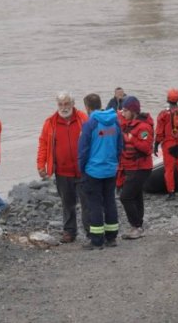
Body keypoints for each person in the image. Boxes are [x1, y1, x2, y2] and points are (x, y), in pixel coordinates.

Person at [37, 92, 90, 243]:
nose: (64, 107)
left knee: (87, 202)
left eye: (67, 104)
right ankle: (69, 231)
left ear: (73, 104)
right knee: (67, 203)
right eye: (61, 104)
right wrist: (41, 165)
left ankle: (91, 231)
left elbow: (93, 140)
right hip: (62, 171)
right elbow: (43, 145)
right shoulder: (50, 122)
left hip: (83, 169)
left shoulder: (82, 119)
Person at [78, 93, 123, 250]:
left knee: (95, 204)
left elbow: (83, 150)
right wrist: (114, 162)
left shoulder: (90, 124)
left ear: (87, 107)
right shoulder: (114, 122)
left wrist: (81, 169)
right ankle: (111, 237)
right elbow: (120, 146)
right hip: (110, 169)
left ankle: (97, 239)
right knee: (110, 201)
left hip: (94, 171)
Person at [117, 96, 154, 240]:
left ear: (133, 111)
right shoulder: (129, 124)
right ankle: (138, 226)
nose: (123, 113)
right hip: (131, 166)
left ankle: (136, 225)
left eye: (126, 110)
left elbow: (146, 148)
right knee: (136, 196)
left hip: (141, 167)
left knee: (125, 197)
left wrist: (132, 139)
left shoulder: (144, 128)